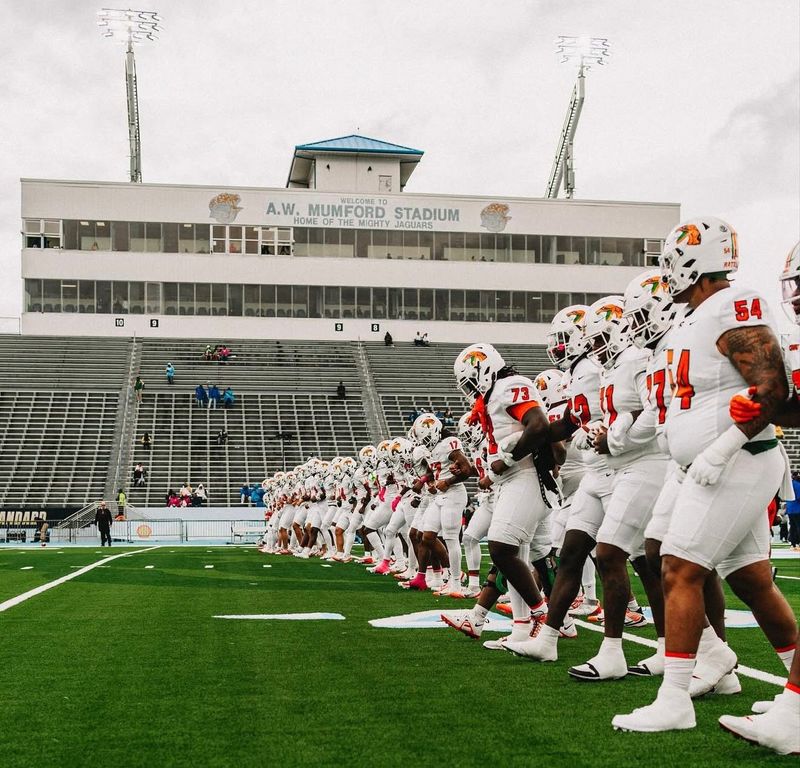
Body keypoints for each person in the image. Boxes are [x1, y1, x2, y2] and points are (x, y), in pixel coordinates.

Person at [612, 217, 797, 735]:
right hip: (709, 465)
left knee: (679, 569)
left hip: (733, 463)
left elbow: (772, 387)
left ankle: (675, 699)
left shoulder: (731, 307)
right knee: (751, 580)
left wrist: (723, 447)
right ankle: (795, 695)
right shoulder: (692, 317)